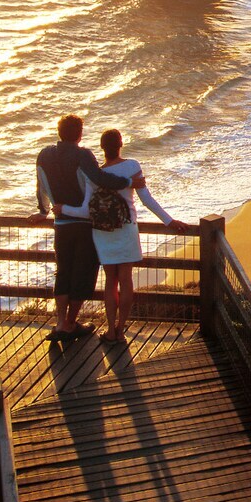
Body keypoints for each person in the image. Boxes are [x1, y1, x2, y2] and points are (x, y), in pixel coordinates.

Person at [31, 114, 141, 341]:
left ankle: (61, 322)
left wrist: (43, 211)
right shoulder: (82, 155)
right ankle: (71, 323)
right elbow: (100, 179)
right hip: (84, 224)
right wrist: (130, 182)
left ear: (59, 132)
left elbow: (40, 183)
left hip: (61, 224)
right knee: (82, 273)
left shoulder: (44, 154)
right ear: (80, 134)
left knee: (63, 272)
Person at [88, 128, 189, 343]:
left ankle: (110, 330)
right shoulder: (132, 166)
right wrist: (169, 221)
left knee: (109, 283)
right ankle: (121, 329)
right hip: (126, 227)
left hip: (103, 231)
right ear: (121, 144)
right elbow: (146, 199)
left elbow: (86, 205)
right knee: (125, 280)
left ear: (102, 147)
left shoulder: (96, 174)